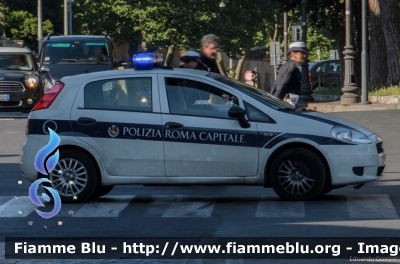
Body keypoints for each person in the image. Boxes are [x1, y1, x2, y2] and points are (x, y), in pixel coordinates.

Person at [271, 42, 307, 107]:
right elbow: (284, 85)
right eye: (301, 53)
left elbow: (275, 85)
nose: (304, 55)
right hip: (287, 105)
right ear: (293, 53)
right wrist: (275, 102)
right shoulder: (292, 67)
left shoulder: (286, 65)